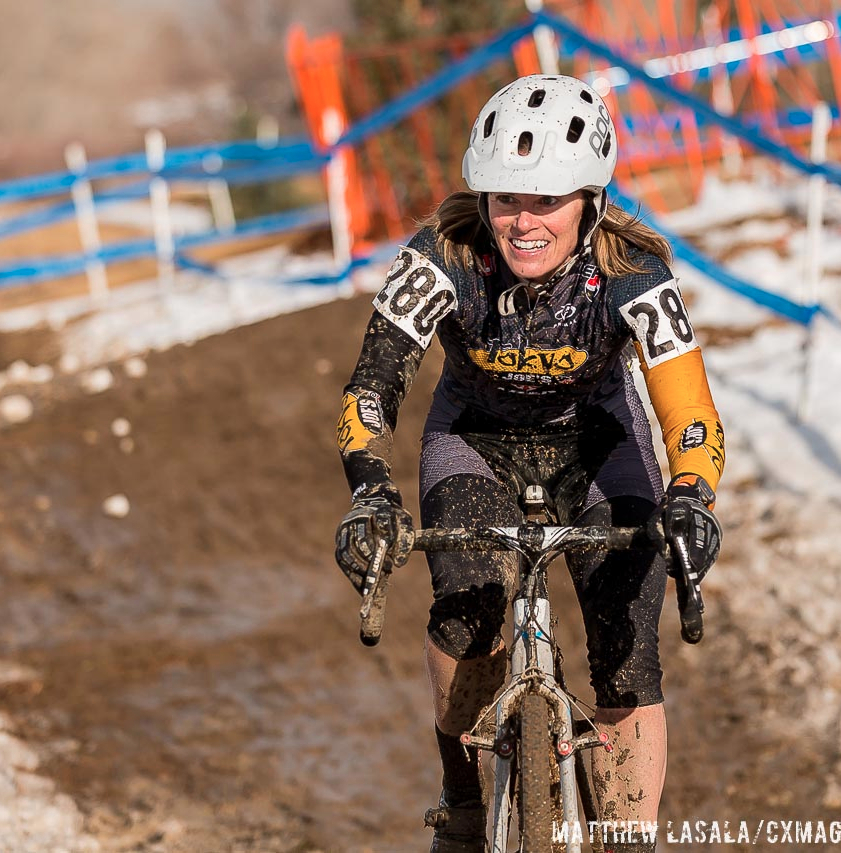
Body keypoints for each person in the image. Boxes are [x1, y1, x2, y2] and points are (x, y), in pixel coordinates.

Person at [333, 74, 724, 853]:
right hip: (474, 442)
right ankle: (463, 800)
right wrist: (370, 485)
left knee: (625, 655)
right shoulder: (442, 257)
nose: (523, 220)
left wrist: (691, 490)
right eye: (507, 197)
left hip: (600, 448)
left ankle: (628, 836)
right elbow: (371, 390)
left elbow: (688, 409)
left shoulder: (633, 267)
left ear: (591, 200)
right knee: (469, 613)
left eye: (547, 199)